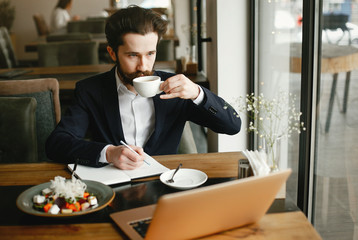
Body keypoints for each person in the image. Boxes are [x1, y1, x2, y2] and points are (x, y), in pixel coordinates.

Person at [45, 5, 241, 170]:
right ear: (112, 53)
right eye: (132, 55)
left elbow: (233, 126)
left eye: (150, 53)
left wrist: (198, 94)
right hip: (113, 187)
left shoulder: (175, 88)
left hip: (167, 185)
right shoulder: (90, 90)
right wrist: (109, 153)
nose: (143, 66)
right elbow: (57, 144)